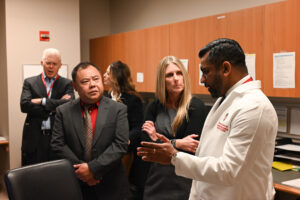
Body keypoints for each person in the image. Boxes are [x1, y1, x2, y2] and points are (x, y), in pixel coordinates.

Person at [137, 38, 278, 200]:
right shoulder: (223, 100)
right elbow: (206, 153)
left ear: (225, 68)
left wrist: (174, 156)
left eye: (205, 72)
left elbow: (229, 170)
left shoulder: (253, 106)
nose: (202, 80)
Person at [51, 62, 130, 200]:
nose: (92, 84)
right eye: (85, 81)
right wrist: (83, 171)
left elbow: (120, 144)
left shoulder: (118, 109)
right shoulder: (63, 111)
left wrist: (92, 169)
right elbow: (58, 144)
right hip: (75, 182)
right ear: (75, 86)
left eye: (96, 79)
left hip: (110, 184)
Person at [141, 56, 207, 200]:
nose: (176, 78)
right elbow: (145, 142)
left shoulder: (196, 106)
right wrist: (178, 143)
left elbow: (191, 147)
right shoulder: (153, 106)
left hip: (184, 177)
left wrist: (157, 138)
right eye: (170, 75)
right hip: (156, 178)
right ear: (162, 80)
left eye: (179, 73)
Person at [20, 48, 74, 166]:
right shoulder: (30, 82)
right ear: (42, 63)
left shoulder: (67, 83)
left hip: (57, 136)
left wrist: (42, 101)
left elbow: (70, 105)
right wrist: (55, 106)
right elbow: (24, 105)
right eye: (48, 63)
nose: (51, 67)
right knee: (33, 176)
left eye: (54, 64)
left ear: (60, 65)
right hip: (35, 137)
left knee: (56, 176)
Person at [103, 60, 146, 199]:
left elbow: (138, 127)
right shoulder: (104, 97)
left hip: (124, 151)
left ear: (116, 76)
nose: (104, 75)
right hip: (105, 149)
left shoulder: (133, 99)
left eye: (107, 73)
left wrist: (125, 141)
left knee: (120, 188)